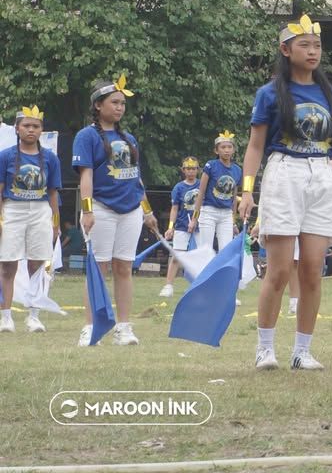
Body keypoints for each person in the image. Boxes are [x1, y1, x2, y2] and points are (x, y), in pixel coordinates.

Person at [238, 14, 332, 371]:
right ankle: (265, 347)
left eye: (317, 45)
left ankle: (302, 350)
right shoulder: (269, 94)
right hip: (284, 172)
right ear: (286, 49)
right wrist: (248, 190)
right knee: (279, 270)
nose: (313, 52)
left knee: (313, 269)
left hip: (323, 176)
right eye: (304, 45)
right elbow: (254, 146)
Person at [72, 75, 159, 346]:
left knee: (124, 267)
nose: (120, 108)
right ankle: (91, 326)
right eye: (114, 102)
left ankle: (123, 327)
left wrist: (147, 211)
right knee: (98, 269)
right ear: (98, 105)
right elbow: (85, 176)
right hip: (101, 208)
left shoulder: (129, 138)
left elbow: (136, 178)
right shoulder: (85, 136)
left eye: (122, 103)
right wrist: (87, 211)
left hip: (131, 209)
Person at [0, 105, 62, 333]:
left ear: (41, 130)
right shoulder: (5, 156)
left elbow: (54, 192)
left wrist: (55, 223)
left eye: (35, 126)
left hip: (40, 210)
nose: (30, 130)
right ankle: (5, 316)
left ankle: (33, 315)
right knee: (8, 264)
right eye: (26, 126)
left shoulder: (50, 158)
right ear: (17, 129)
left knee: (37, 263)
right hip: (13, 210)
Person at [190, 132, 242, 252]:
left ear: (233, 150)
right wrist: (194, 218)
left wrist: (234, 222)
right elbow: (201, 192)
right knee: (206, 250)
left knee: (225, 251)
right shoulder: (211, 165)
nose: (226, 150)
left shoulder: (237, 170)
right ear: (216, 151)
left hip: (226, 214)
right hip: (209, 211)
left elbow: (234, 198)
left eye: (229, 147)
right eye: (223, 147)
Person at [159, 156, 200, 297]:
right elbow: (175, 208)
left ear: (197, 170)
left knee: (199, 257)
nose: (191, 171)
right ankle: (168, 286)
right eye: (188, 168)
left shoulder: (202, 185)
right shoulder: (179, 187)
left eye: (193, 168)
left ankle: (198, 285)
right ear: (183, 170)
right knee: (177, 256)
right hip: (182, 225)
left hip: (200, 227)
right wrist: (171, 227)